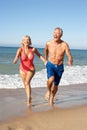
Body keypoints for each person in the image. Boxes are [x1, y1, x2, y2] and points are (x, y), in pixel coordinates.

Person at [13, 35, 46, 107]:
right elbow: (15, 58)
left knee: (27, 82)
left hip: (31, 69)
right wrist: (15, 60)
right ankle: (29, 97)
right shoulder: (20, 50)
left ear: (30, 41)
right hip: (22, 69)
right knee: (25, 84)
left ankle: (28, 100)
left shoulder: (33, 49)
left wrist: (45, 61)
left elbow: (39, 55)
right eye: (25, 40)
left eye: (28, 40)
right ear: (23, 41)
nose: (26, 41)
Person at [44, 27, 73, 106]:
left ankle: (52, 99)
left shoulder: (64, 44)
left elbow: (69, 54)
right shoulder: (48, 43)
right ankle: (48, 91)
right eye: (54, 33)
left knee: (56, 85)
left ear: (61, 35)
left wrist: (70, 60)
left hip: (60, 66)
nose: (55, 35)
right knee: (51, 78)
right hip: (50, 65)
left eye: (57, 33)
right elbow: (46, 50)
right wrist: (46, 60)